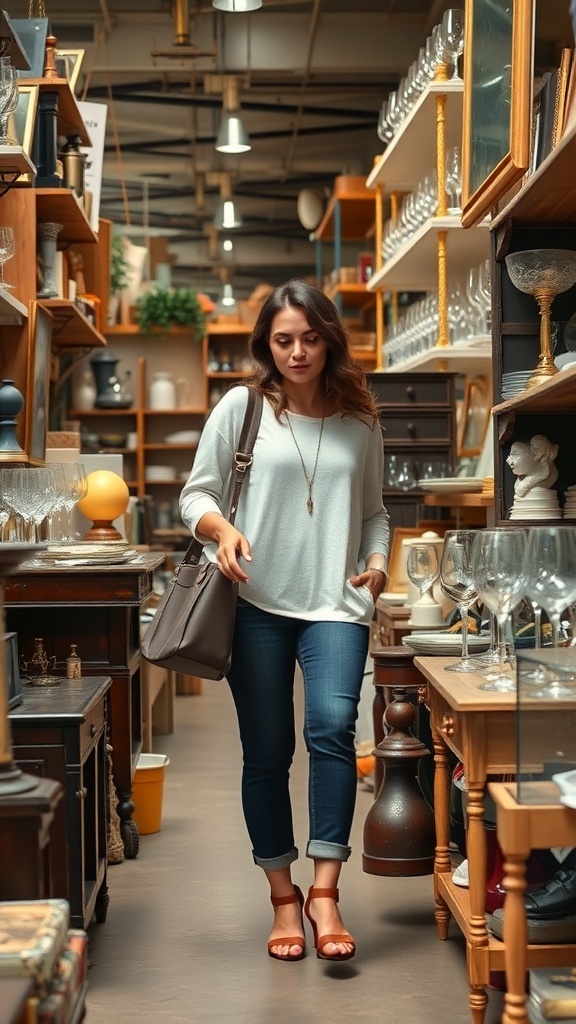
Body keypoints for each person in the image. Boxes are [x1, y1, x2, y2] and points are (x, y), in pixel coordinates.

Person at [179, 279, 389, 964]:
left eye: (309, 337)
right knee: (267, 754)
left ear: (330, 337)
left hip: (337, 603)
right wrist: (222, 531)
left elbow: (374, 513)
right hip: (255, 606)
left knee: (332, 731)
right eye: (283, 340)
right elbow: (197, 494)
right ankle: (281, 897)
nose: (298, 351)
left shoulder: (361, 418)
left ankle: (324, 891)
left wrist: (378, 563)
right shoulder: (241, 407)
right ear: (267, 345)